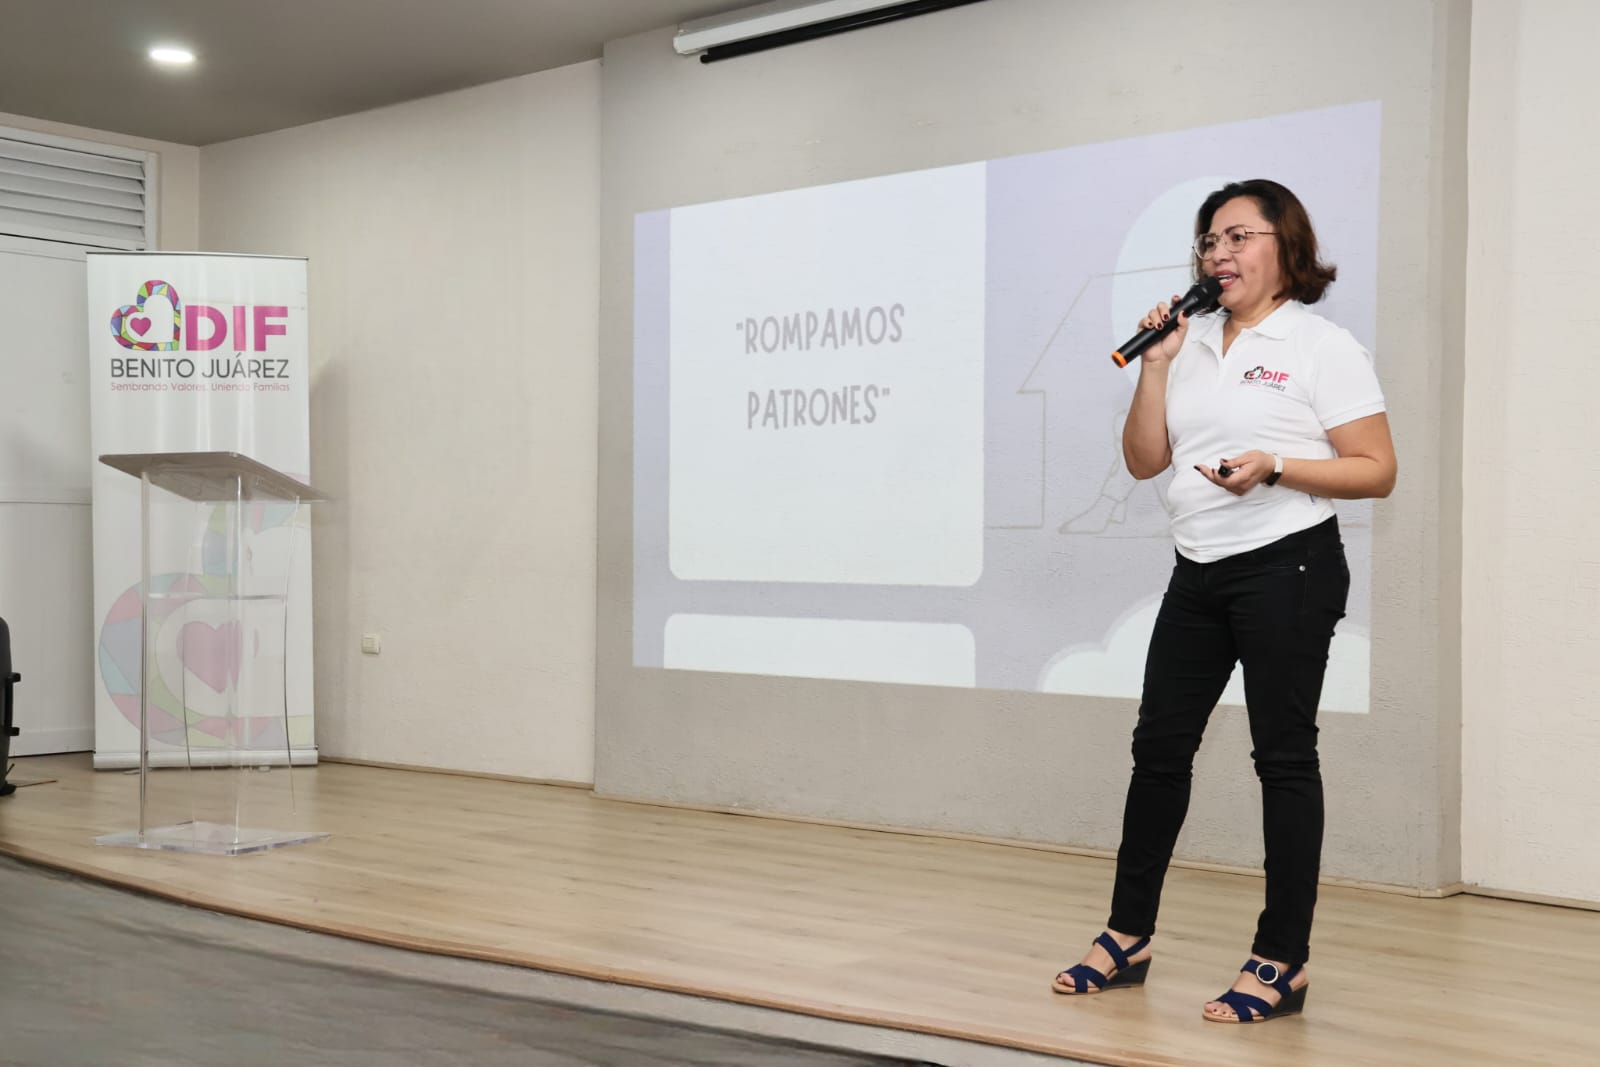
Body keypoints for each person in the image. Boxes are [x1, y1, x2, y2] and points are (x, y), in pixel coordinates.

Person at [1049, 179, 1397, 1023]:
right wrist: (1156, 366)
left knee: (1283, 757)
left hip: (1289, 567)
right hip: (1197, 568)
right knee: (1159, 751)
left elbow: (1376, 469)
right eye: (1210, 240)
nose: (1219, 253)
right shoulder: (1191, 340)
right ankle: (1127, 936)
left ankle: (1282, 959)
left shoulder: (1319, 344)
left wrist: (1274, 464)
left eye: (1239, 236)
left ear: (1286, 246)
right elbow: (1144, 461)